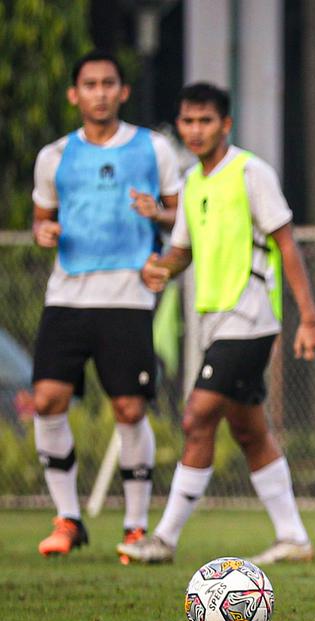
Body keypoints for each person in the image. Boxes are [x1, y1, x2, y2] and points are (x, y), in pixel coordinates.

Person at [117, 83, 315, 565]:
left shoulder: (251, 172)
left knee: (196, 416)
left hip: (249, 318)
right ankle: (293, 537)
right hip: (214, 322)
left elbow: (287, 243)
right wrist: (160, 269)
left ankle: (164, 539)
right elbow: (183, 252)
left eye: (205, 120)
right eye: (187, 121)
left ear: (225, 124)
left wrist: (309, 318)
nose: (194, 130)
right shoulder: (193, 183)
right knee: (250, 431)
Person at [31, 49, 182, 560]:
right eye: (89, 84)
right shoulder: (55, 156)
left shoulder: (153, 148)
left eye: (108, 83)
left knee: (128, 407)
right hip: (68, 295)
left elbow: (182, 217)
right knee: (48, 400)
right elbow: (41, 218)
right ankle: (68, 518)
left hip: (129, 297)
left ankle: (136, 526)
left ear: (123, 91)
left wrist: (158, 215)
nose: (99, 92)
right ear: (75, 94)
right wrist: (43, 231)